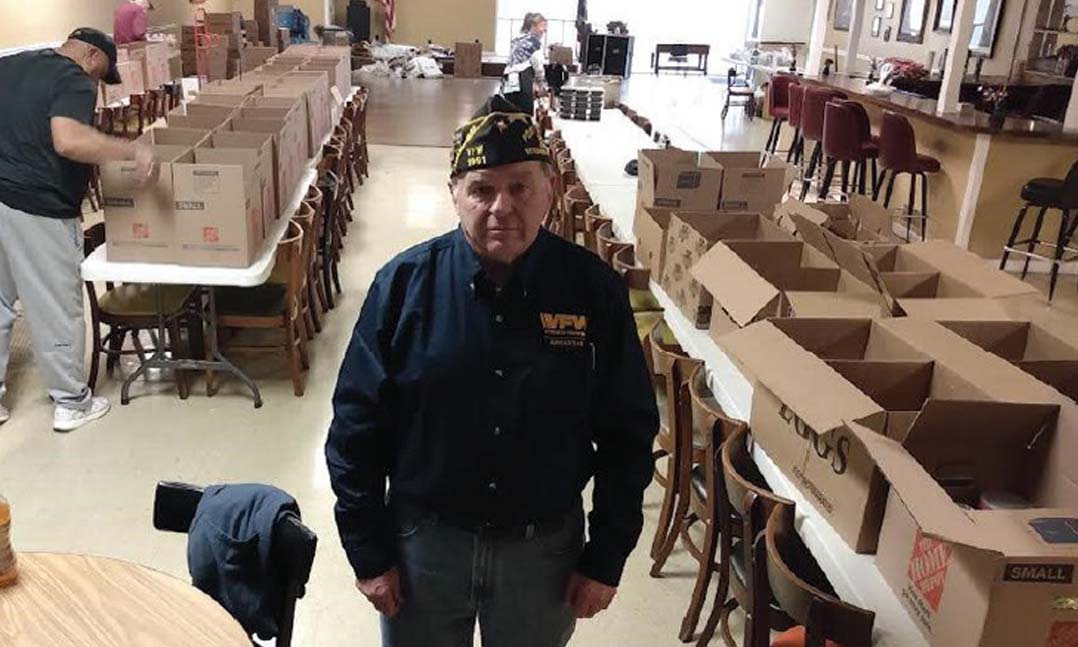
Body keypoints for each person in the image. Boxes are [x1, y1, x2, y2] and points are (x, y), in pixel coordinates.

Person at [326, 95, 659, 647]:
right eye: (481, 188)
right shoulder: (403, 286)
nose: (501, 206)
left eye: (520, 187)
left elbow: (629, 430)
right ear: (454, 195)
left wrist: (606, 555)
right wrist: (368, 551)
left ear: (550, 190)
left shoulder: (592, 290)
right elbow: (355, 427)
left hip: (543, 554)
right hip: (424, 548)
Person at [0, 28, 158, 432]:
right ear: (90, 56)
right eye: (99, 74)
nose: (95, 85)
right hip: (39, 204)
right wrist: (132, 149)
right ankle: (71, 402)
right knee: (55, 304)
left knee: (0, 304)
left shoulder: (10, 65)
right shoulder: (71, 77)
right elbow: (68, 141)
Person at [503, 13, 548, 115]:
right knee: (525, 117)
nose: (544, 31)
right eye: (542, 27)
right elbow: (538, 67)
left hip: (508, 82)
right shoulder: (533, 42)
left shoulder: (517, 39)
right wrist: (541, 86)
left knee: (510, 114)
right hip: (522, 81)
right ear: (533, 26)